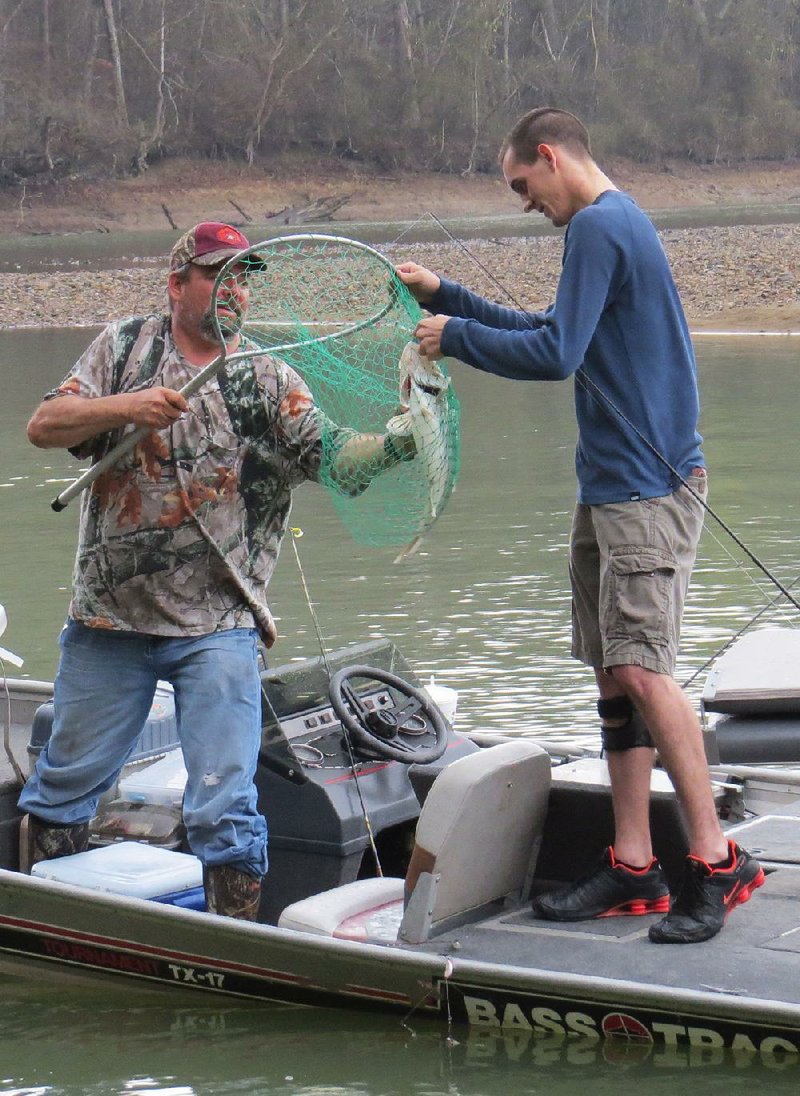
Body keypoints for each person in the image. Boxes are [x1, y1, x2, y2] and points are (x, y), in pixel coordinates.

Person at [397, 108, 764, 944]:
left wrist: (453, 337)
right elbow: (554, 332)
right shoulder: (607, 224)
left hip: (646, 489)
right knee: (610, 670)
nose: (526, 202)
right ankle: (633, 865)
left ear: (551, 158)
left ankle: (714, 859)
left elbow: (555, 354)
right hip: (609, 487)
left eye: (524, 185)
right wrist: (449, 299)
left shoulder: (600, 226)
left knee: (641, 670)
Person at [20, 221, 414, 919]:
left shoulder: (264, 377)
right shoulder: (125, 347)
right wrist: (127, 407)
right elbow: (46, 424)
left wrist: (402, 440)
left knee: (225, 802)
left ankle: (234, 939)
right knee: (63, 789)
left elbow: (336, 459)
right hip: (109, 618)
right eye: (218, 275)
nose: (234, 291)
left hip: (220, 625)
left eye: (244, 279)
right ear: (178, 285)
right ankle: (51, 919)